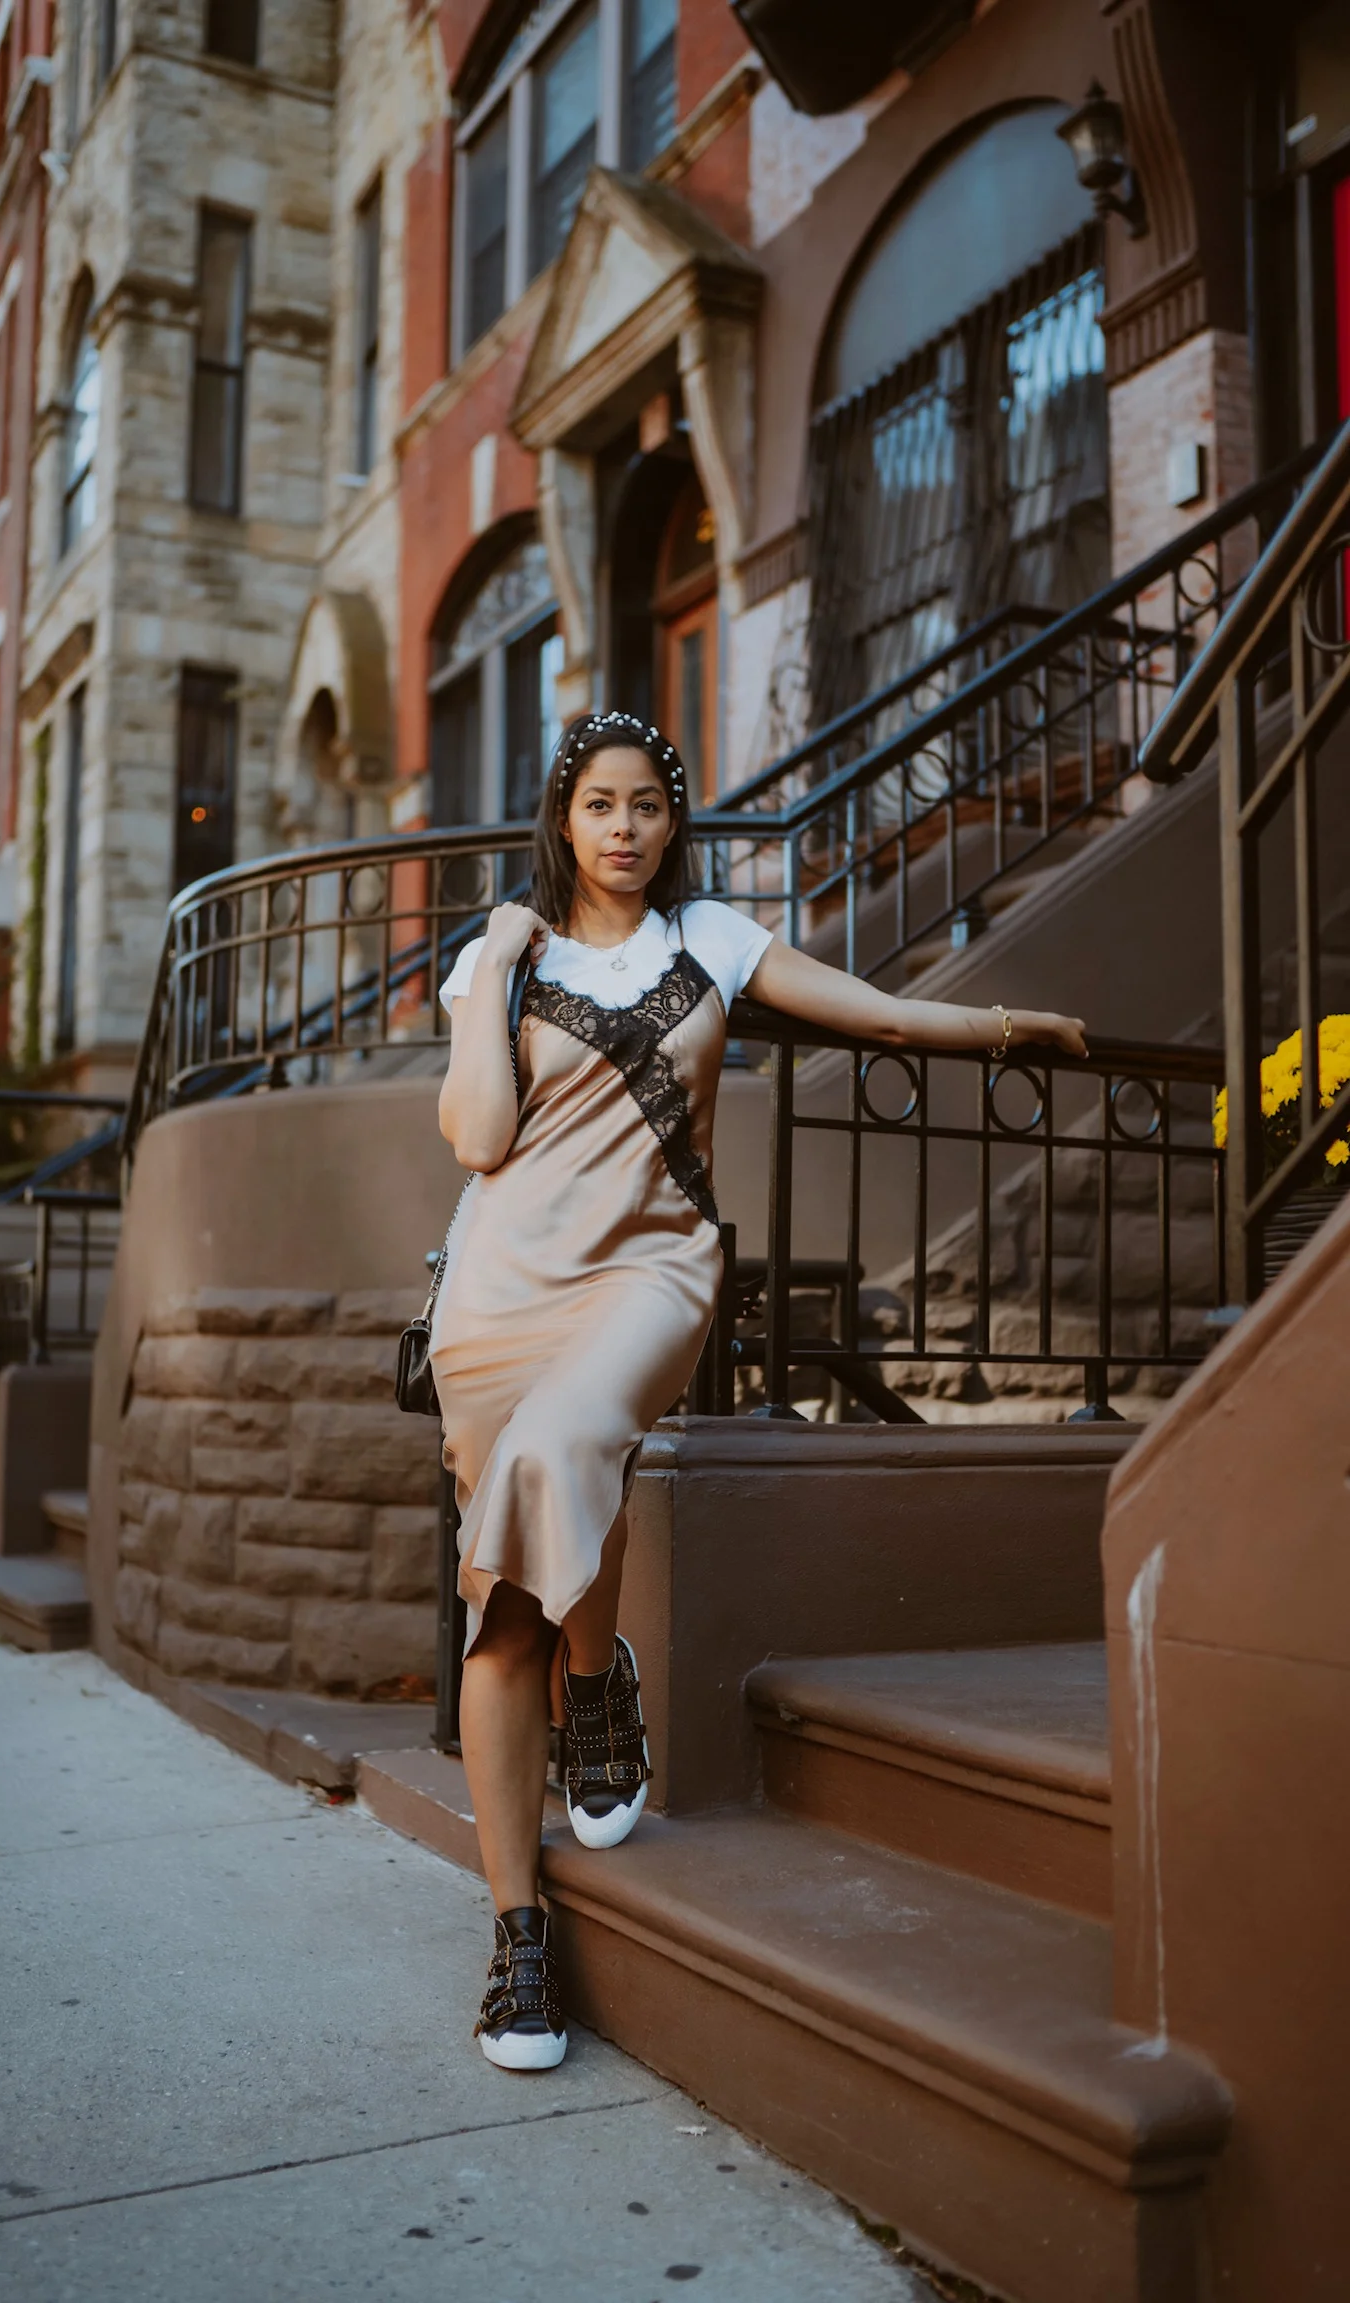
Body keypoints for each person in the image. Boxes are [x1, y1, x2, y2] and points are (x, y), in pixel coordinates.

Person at [433, 709, 1087, 2070]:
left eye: (647, 805)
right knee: (504, 1601)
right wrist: (493, 958)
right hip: (500, 1291)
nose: (623, 828)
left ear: (673, 821)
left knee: (563, 1454)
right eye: (599, 804)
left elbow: (878, 1009)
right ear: (564, 817)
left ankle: (596, 1677)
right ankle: (518, 1929)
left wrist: (1005, 1023)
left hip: (650, 1271)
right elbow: (480, 1135)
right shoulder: (507, 958)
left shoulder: (711, 940)